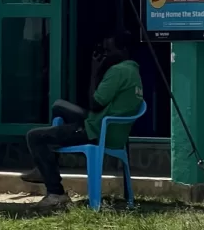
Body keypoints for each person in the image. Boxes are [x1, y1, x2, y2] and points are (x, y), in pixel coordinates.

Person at [23, 30, 144, 211]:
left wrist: (95, 72)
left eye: (110, 50)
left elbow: (94, 103)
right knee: (59, 106)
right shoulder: (133, 71)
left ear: (123, 50)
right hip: (108, 129)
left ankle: (56, 193)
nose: (106, 55)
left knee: (35, 136)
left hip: (95, 131)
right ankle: (45, 167)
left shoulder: (118, 71)